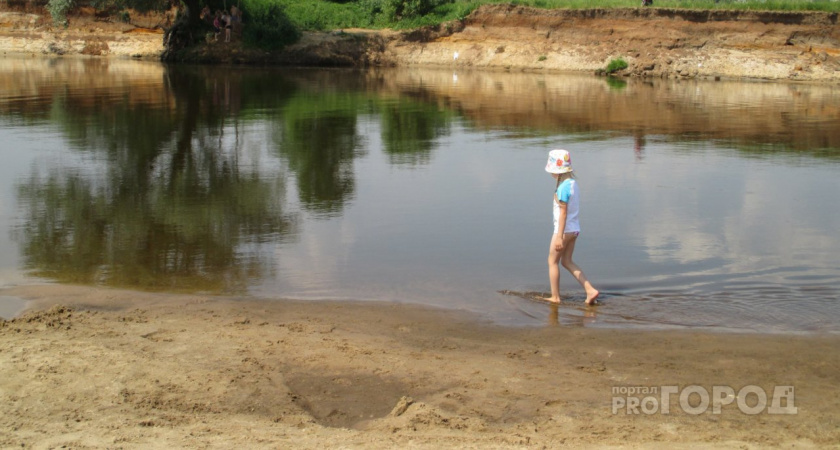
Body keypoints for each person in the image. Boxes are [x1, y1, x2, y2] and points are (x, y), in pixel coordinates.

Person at [543, 149, 600, 305]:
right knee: (567, 261)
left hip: (564, 231)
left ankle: (555, 297)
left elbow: (563, 214)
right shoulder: (573, 184)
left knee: (552, 262)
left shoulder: (562, 188)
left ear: (557, 171)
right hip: (574, 230)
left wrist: (559, 237)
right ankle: (590, 290)